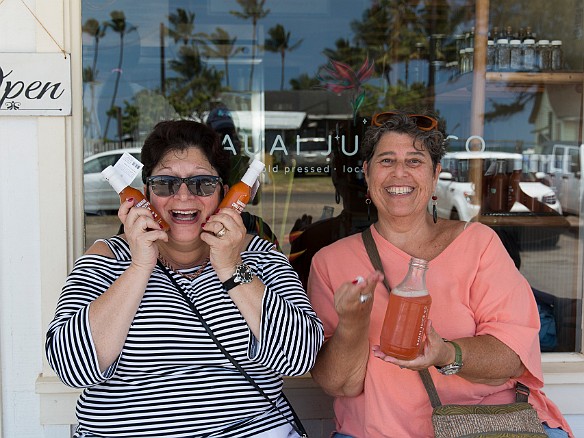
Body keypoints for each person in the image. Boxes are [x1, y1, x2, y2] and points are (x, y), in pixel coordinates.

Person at [46, 120, 324, 437]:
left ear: (223, 192)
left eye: (202, 184)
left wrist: (233, 268)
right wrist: (139, 267)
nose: (182, 196)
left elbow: (301, 357)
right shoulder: (106, 259)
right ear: (145, 193)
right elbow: (69, 366)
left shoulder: (258, 257)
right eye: (165, 183)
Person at [307, 110, 573, 437]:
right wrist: (352, 325)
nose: (399, 173)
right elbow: (341, 386)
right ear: (366, 172)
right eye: (386, 161)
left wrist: (446, 353)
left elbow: (514, 357)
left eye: (415, 161)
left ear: (435, 175)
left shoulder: (479, 244)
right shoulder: (331, 262)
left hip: (485, 427)